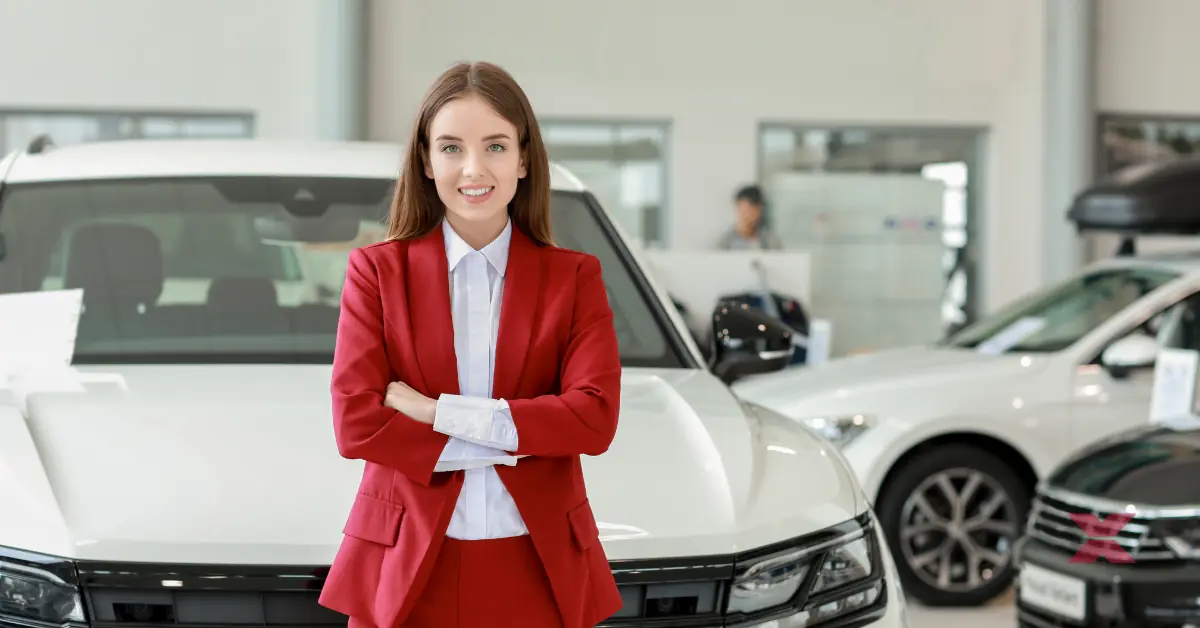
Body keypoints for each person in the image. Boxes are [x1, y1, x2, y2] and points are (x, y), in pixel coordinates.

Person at [317, 61, 624, 628]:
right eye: (452, 147)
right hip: (406, 566)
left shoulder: (574, 278)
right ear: (426, 162)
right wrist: (525, 434)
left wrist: (436, 413)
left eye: (497, 146)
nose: (474, 168)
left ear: (525, 159)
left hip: (540, 566)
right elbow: (356, 425)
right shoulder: (377, 274)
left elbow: (594, 420)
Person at [717, 184, 783, 250]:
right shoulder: (725, 242)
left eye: (749, 210)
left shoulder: (769, 240)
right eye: (742, 210)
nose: (744, 216)